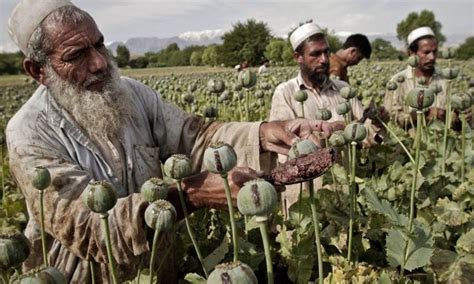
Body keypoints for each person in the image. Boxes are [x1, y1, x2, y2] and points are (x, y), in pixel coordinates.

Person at [6, 1, 341, 282]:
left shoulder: (132, 95)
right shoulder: (29, 133)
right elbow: (90, 228)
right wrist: (191, 195)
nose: (99, 62)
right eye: (77, 54)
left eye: (99, 45)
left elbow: (197, 138)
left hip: (159, 270)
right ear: (38, 70)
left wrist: (264, 132)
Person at [269, 23, 386, 217]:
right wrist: (323, 136)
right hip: (303, 200)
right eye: (315, 54)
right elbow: (282, 146)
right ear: (298, 58)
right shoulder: (285, 93)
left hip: (340, 195)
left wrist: (375, 122)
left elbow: (364, 134)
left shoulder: (343, 90)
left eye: (326, 52)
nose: (324, 60)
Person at [383, 26, 447, 127]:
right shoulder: (397, 82)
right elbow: (391, 119)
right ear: (411, 53)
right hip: (409, 140)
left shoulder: (445, 79)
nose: (432, 57)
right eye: (426, 52)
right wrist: (423, 114)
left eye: (434, 52)